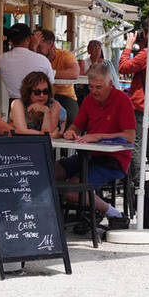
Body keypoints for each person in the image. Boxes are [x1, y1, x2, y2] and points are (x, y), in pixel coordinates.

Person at [56, 63, 137, 227]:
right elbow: (77, 126)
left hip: (114, 160)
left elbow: (130, 136)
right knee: (52, 171)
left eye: (98, 87)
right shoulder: (89, 100)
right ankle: (59, 215)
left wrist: (98, 136)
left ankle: (113, 213)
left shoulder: (122, 100)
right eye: (91, 87)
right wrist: (70, 132)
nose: (94, 91)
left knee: (73, 190)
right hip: (89, 155)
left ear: (110, 84)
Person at [118, 18, 149, 188]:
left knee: (137, 142)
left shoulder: (147, 53)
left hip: (140, 104)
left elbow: (123, 68)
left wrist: (128, 46)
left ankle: (137, 182)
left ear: (146, 32)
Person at [0, 23, 55, 105]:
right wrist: (33, 47)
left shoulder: (1, 59)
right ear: (28, 39)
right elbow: (51, 88)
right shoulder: (42, 60)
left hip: (14, 104)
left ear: (10, 40)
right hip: (38, 105)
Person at [36, 29, 80, 126]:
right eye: (35, 47)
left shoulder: (65, 55)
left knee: (72, 120)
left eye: (39, 47)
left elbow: (75, 73)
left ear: (51, 45)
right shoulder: (35, 57)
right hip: (41, 96)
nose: (37, 50)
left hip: (65, 96)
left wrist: (50, 73)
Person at [9, 71, 63, 137]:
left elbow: (48, 134)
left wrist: (46, 111)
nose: (42, 95)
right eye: (37, 92)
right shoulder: (17, 103)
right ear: (28, 92)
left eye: (45, 91)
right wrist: (47, 134)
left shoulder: (54, 104)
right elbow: (22, 131)